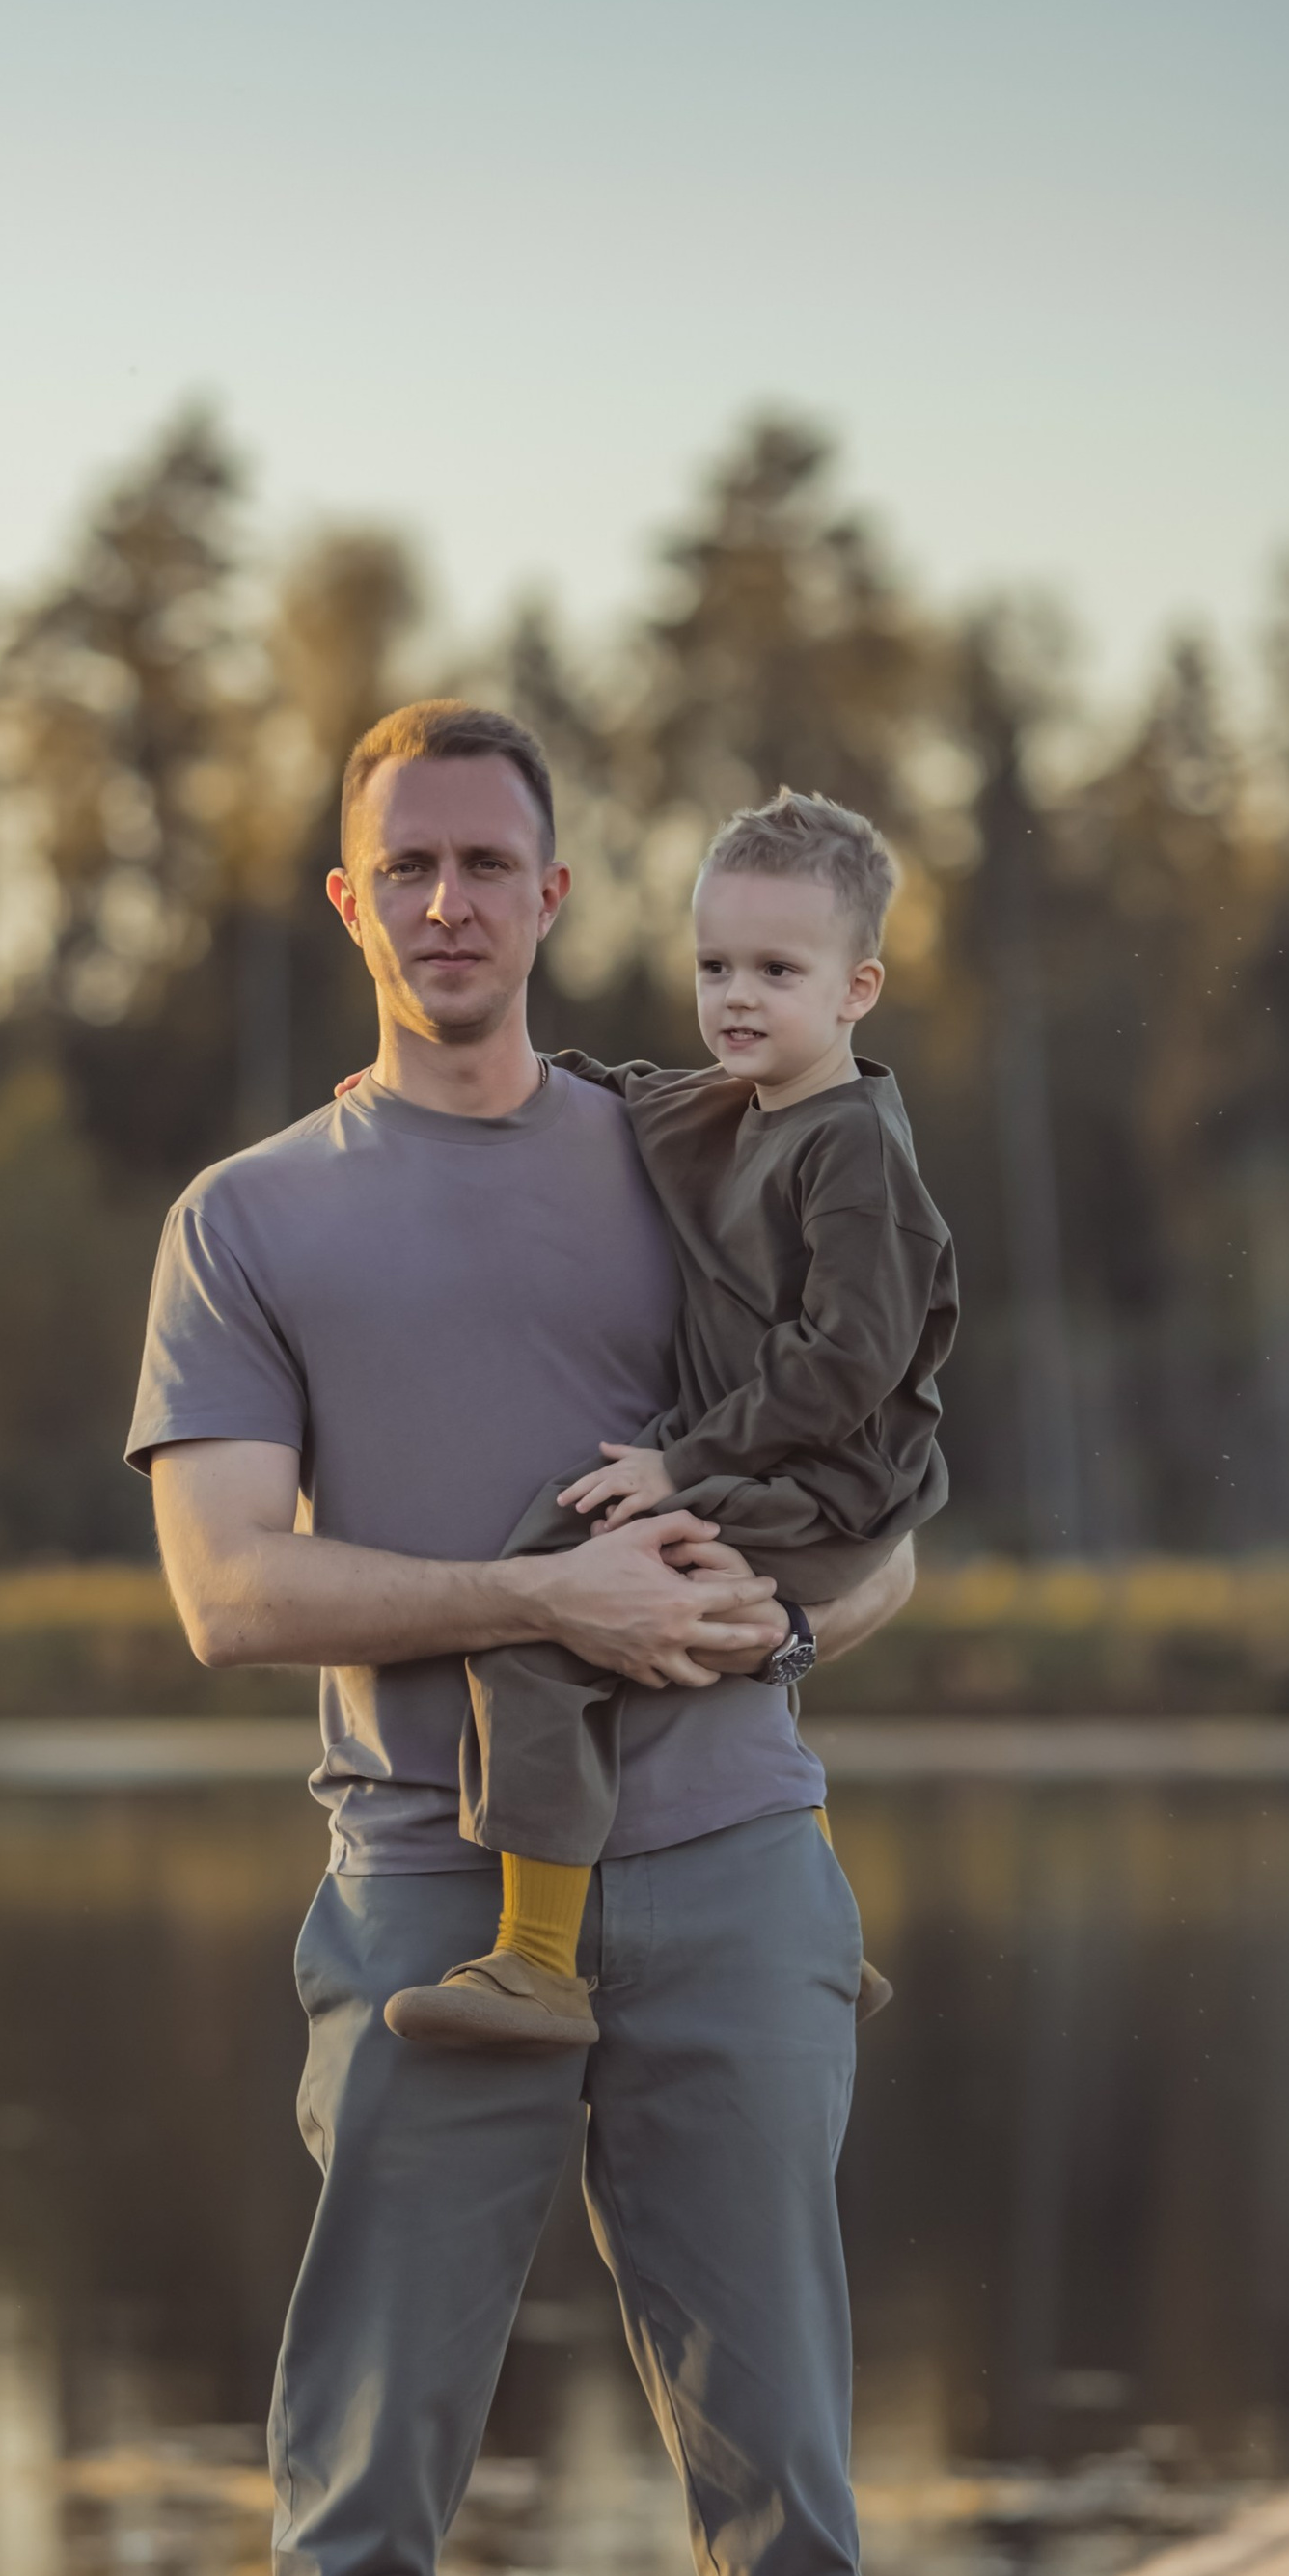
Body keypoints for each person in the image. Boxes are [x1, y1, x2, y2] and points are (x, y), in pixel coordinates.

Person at [128, 699, 910, 2576]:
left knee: (777, 2478)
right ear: (348, 909)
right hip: (420, 1900)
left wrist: (769, 1631)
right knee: (359, 2489)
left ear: (554, 898)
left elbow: (885, 1490)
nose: (450, 901)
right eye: (407, 869)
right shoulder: (250, 1219)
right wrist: (526, 1591)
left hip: (730, 1880)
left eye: (491, 860)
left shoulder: (698, 1131)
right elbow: (228, 1590)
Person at [387, 786, 956, 2055]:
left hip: (827, 1486)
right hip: (777, 1466)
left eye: (776, 970)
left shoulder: (854, 1149)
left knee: (543, 1591)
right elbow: (628, 1092)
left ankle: (536, 1963)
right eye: (714, 966)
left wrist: (682, 1467)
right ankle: (812, 1927)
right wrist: (433, 1075)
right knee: (666, 1633)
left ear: (857, 989)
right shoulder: (741, 1106)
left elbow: (853, 1357)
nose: (736, 997)